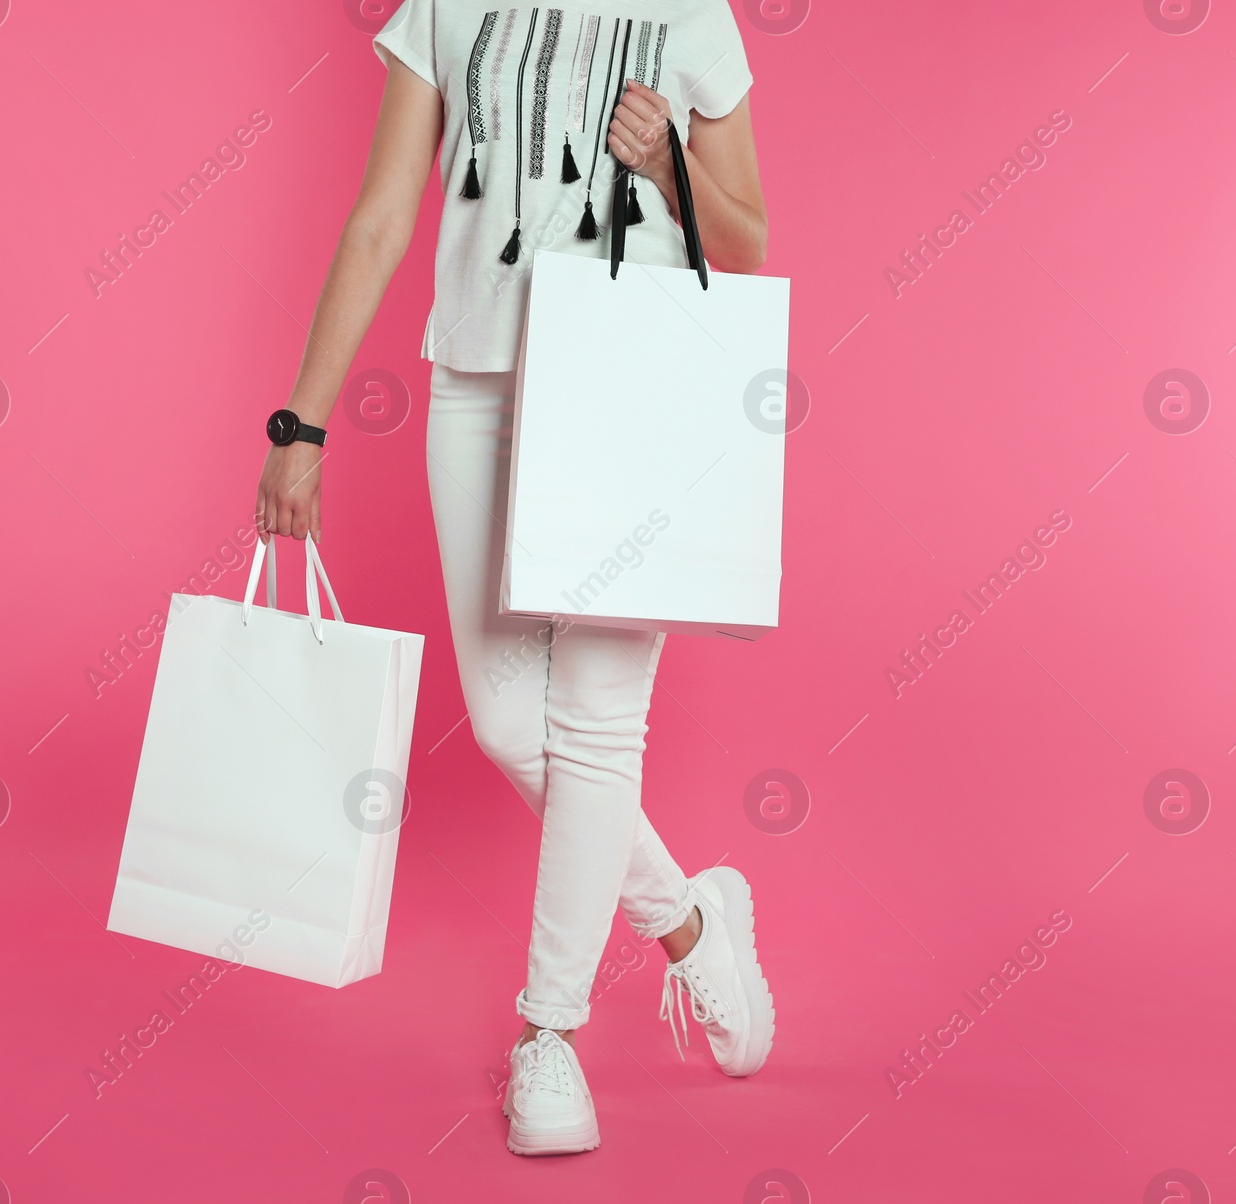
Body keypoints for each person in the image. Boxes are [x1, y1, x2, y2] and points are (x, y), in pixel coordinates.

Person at [255, 0, 773, 1156]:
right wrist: (305, 421)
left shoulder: (690, 15)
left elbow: (745, 240)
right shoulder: (446, 6)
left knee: (595, 729)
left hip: (627, 386)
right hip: (477, 388)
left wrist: (673, 163)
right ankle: (687, 920)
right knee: (502, 722)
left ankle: (550, 1035)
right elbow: (385, 215)